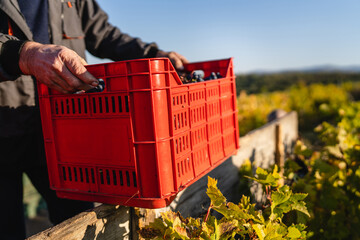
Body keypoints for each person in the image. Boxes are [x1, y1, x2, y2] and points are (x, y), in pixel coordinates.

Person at [0, 0, 188, 239]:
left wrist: (153, 54)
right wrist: (23, 54)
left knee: (78, 225)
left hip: (63, 131)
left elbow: (103, 34)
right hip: (4, 131)